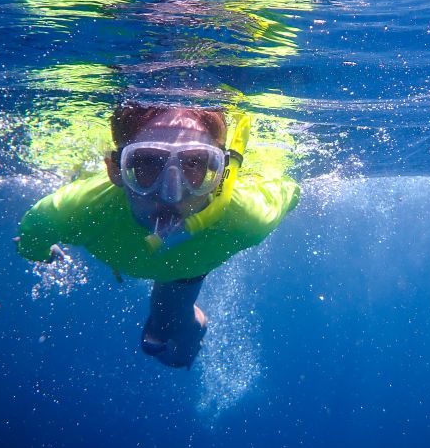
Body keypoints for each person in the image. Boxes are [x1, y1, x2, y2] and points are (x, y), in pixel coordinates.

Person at [15, 103, 299, 368]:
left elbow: (289, 190)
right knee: (164, 325)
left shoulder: (247, 217)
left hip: (185, 269)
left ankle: (185, 333)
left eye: (195, 164)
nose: (170, 193)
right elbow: (34, 232)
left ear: (220, 172)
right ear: (115, 171)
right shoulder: (74, 212)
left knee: (168, 326)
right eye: (148, 163)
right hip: (188, 259)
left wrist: (38, 251)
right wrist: (38, 251)